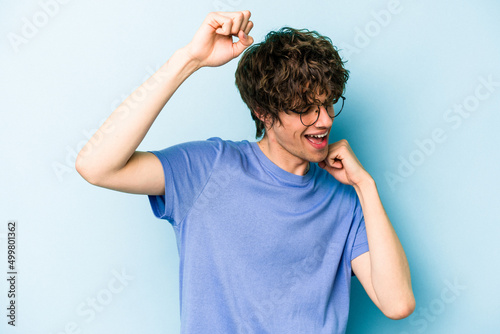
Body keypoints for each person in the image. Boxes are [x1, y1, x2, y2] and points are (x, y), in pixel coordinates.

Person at [76, 10, 415, 333]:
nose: (324, 120)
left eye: (327, 104)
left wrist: (365, 186)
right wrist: (190, 59)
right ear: (264, 113)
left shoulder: (345, 199)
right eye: (306, 109)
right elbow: (96, 166)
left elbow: (397, 304)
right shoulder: (208, 169)